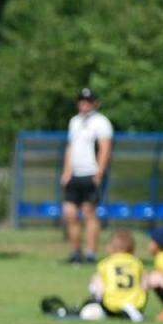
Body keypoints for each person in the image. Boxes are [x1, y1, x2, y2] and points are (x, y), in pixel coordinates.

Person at [61, 87, 113, 264]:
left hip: (91, 173)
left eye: (88, 102)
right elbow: (70, 147)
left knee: (89, 212)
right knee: (70, 213)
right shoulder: (74, 122)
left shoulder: (101, 122)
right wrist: (67, 171)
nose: (84, 105)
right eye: (81, 101)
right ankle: (75, 252)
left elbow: (104, 148)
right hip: (75, 174)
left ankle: (90, 253)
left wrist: (99, 172)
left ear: (95, 103)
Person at [81, 230, 146, 321]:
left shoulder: (106, 263)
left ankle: (98, 306)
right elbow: (144, 285)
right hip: (136, 302)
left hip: (112, 303)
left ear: (111, 248)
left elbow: (100, 287)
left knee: (96, 279)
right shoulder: (137, 263)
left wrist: (97, 295)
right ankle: (130, 310)